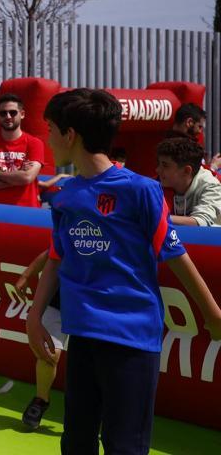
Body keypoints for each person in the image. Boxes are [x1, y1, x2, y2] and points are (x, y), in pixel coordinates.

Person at [27, 88, 221, 454]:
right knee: (76, 442)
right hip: (83, 336)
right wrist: (35, 315)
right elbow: (56, 258)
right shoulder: (66, 196)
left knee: (125, 446)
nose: (47, 139)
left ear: (71, 136)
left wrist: (211, 313)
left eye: (50, 129)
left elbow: (175, 253)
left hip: (131, 341)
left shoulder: (141, 190)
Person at [13, 250, 67, 431]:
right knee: (48, 352)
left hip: (95, 303)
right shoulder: (71, 223)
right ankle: (41, 400)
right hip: (59, 299)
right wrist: (27, 274)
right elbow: (52, 251)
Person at [0, 94, 46, 207]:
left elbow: (27, 177)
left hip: (26, 212)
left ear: (22, 114)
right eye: (3, 113)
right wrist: (17, 178)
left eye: (13, 112)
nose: (8, 116)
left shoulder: (34, 143)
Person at [155, 138, 221, 227]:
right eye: (158, 164)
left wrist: (156, 217)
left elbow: (200, 222)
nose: (157, 170)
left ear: (186, 171)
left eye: (165, 165)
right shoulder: (158, 184)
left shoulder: (211, 185)